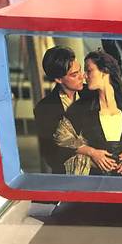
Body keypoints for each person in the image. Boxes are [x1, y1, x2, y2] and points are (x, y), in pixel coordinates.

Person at [54, 50, 122, 176]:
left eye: (89, 71)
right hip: (95, 179)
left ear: (105, 71)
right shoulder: (81, 107)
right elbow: (61, 138)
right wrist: (92, 153)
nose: (84, 76)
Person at [33, 46, 87, 174]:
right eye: (74, 75)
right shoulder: (44, 109)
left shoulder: (93, 93)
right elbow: (50, 154)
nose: (82, 77)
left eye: (80, 70)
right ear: (58, 79)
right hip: (66, 175)